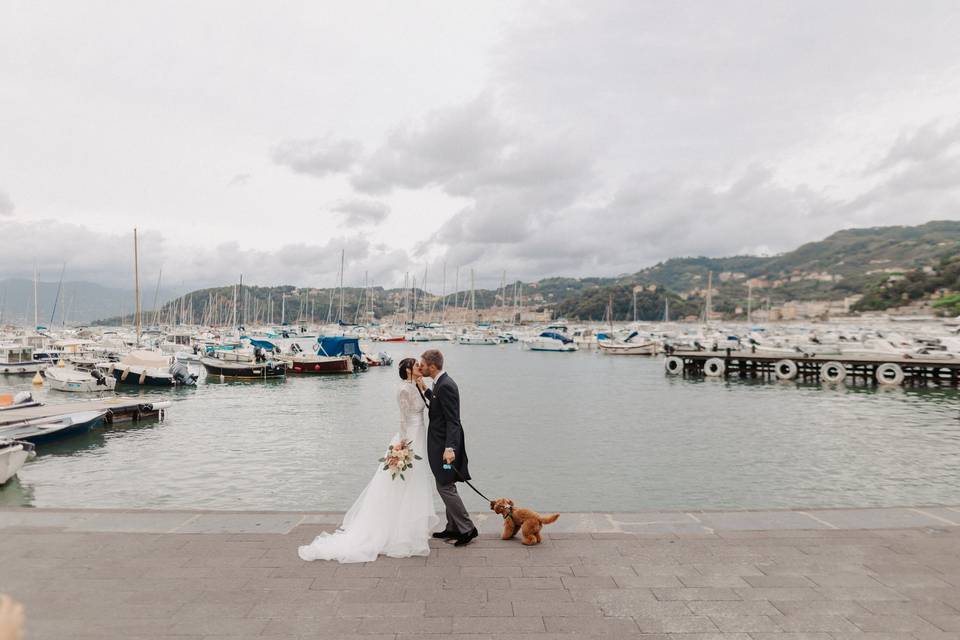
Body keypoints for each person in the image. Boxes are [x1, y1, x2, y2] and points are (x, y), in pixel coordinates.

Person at [298, 358, 441, 563]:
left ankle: (410, 527)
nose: (420, 367)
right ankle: (397, 530)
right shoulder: (403, 389)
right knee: (404, 481)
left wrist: (423, 387)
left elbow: (427, 405)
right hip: (409, 437)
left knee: (414, 480)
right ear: (408, 369)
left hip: (419, 433)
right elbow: (402, 418)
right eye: (416, 365)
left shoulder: (416, 385)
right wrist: (402, 445)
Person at [415, 349, 478, 547]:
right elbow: (437, 404)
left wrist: (450, 449)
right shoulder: (440, 384)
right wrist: (425, 389)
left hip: (444, 446)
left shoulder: (447, 385)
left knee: (445, 486)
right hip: (440, 443)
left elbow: (453, 421)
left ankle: (467, 528)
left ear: (432, 366)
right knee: (446, 483)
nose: (420, 367)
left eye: (422, 365)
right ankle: (452, 527)